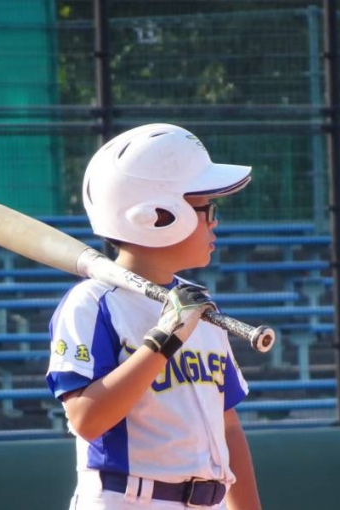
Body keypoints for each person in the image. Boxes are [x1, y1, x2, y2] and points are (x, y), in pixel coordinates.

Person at [46, 123, 262, 510]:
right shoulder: (93, 303)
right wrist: (163, 341)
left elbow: (227, 425)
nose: (214, 221)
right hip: (128, 498)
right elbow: (86, 419)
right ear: (159, 216)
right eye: (206, 209)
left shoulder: (197, 304)